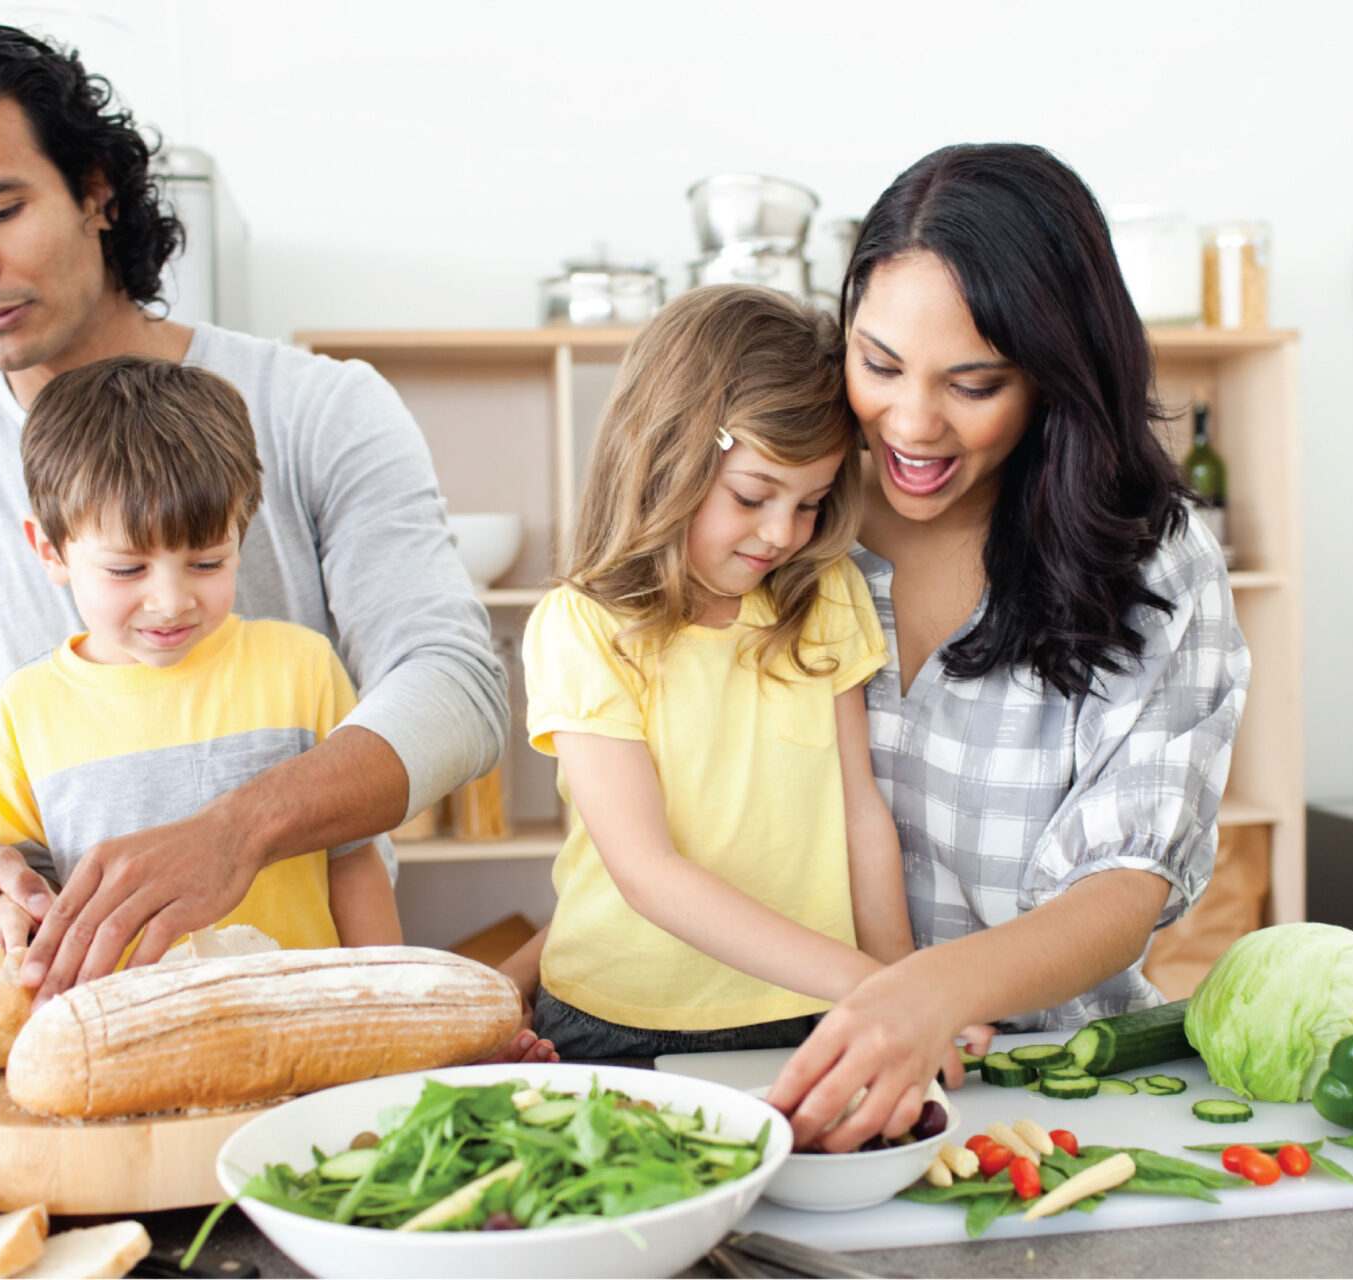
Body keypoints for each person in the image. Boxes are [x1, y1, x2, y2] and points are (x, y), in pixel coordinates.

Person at [0, 21, 511, 1012]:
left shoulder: (322, 408)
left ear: (96, 188)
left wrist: (239, 831)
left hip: (303, 1007)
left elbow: (454, 687)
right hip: (94, 1021)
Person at [766, 144, 1252, 1149]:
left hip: (1060, 1096)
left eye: (973, 382)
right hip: (791, 1079)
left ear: (1056, 372)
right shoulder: (784, 525)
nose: (911, 422)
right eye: (879, 363)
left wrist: (925, 994)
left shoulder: (1153, 564)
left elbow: (1123, 885)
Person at [500, 285, 956, 1060]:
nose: (783, 532)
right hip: (618, 1022)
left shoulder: (823, 595)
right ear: (665, 459)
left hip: (808, 1009)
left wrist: (899, 988)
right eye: (753, 495)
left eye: (811, 503)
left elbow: (861, 818)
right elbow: (647, 873)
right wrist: (865, 983)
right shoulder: (582, 626)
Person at [0, 355, 390, 955]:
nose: (170, 603)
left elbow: (353, 861)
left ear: (241, 534)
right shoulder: (25, 708)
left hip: (303, 1029)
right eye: (126, 568)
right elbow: (29, 897)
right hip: (124, 1038)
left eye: (206, 563)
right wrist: (0, 922)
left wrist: (385, 1004)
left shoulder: (304, 669)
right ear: (51, 549)